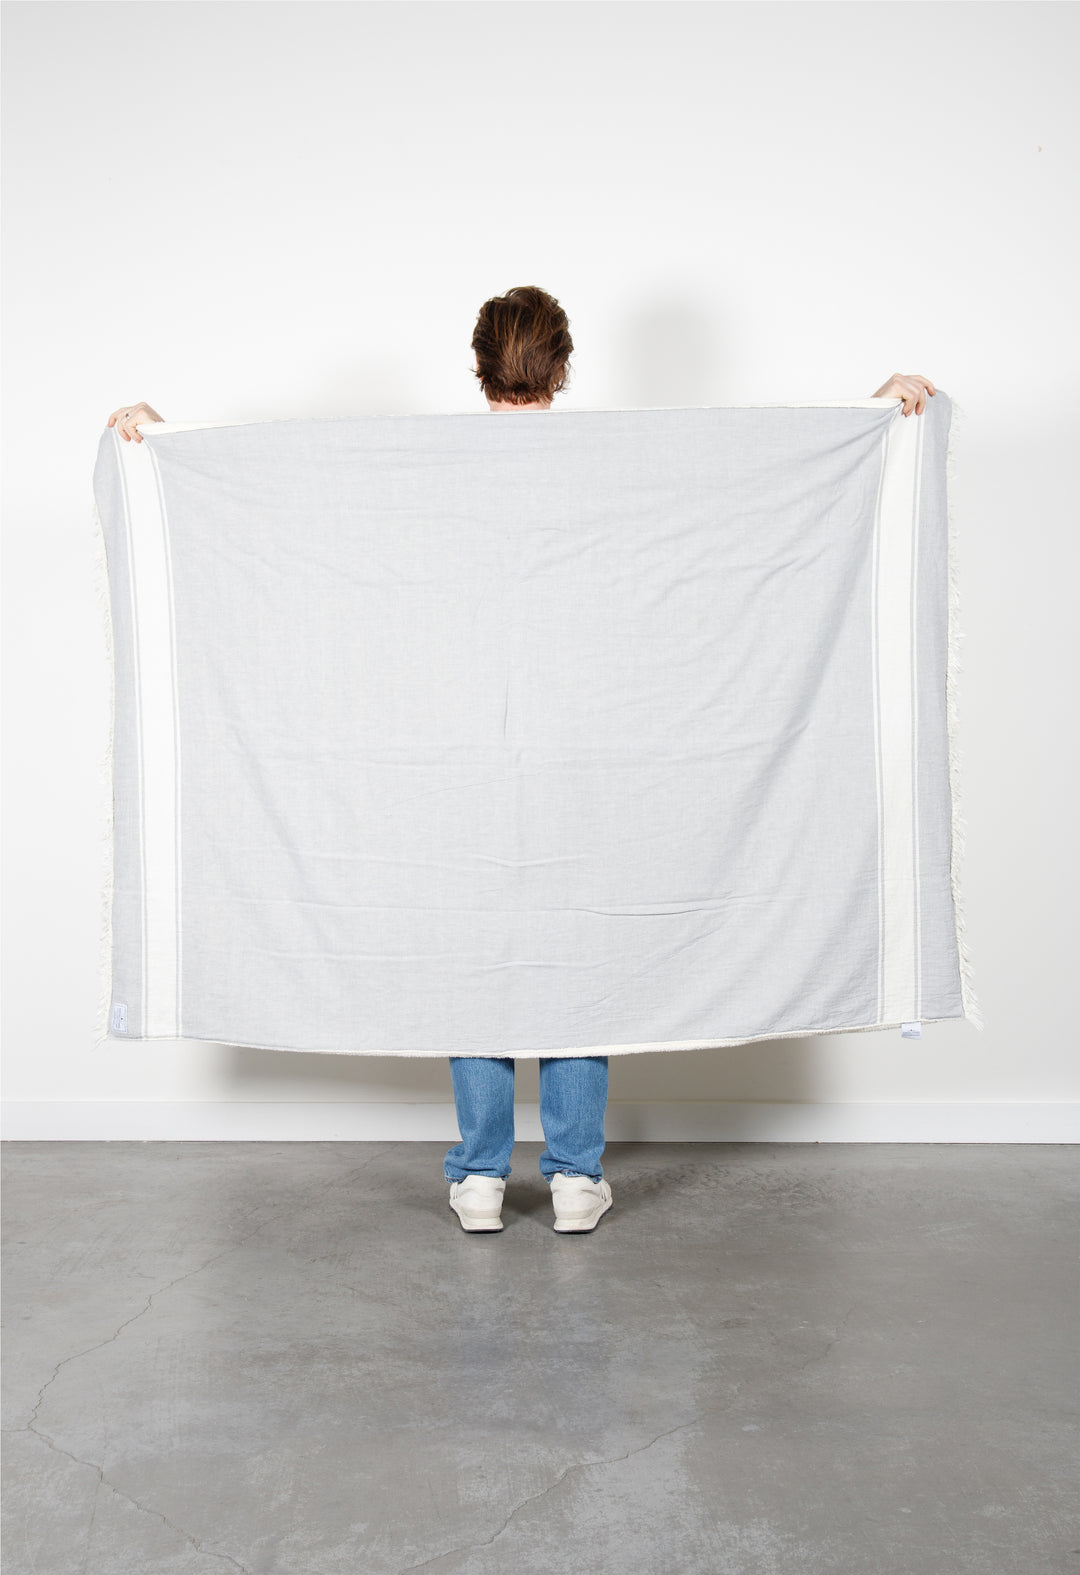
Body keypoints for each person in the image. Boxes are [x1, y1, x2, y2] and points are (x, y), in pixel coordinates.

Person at [107, 288, 936, 1239]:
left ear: (477, 363)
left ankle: (481, 1180)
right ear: (564, 363)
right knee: (576, 961)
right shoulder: (617, 470)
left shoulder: (426, 473)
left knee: (478, 961)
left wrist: (164, 451)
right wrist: (875, 424)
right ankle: (577, 1179)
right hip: (592, 763)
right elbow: (743, 499)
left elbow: (304, 513)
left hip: (453, 762)